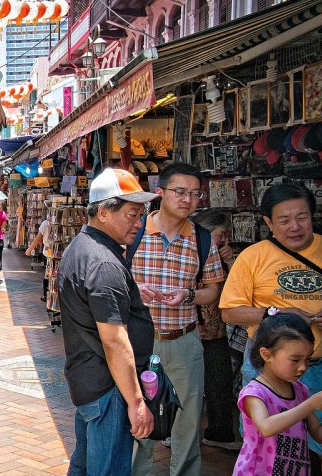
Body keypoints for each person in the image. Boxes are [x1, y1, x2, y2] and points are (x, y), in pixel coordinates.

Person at [58, 168, 157, 475]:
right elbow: (115, 340)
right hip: (108, 388)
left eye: (140, 215)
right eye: (131, 214)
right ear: (103, 212)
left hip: (91, 380)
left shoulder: (83, 247)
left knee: (86, 465)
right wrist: (136, 401)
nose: (138, 223)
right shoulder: (102, 262)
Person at [130, 163, 226, 476]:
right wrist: (134, 289)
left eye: (195, 194)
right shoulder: (135, 233)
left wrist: (187, 295)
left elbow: (213, 291)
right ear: (160, 193)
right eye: (180, 192)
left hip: (184, 341)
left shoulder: (202, 239)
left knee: (188, 420)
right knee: (139, 415)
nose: (187, 199)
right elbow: (110, 282)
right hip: (141, 341)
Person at [220, 182, 322, 472]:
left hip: (320, 365)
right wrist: (275, 312)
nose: (295, 226)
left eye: (301, 217)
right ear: (268, 222)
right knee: (269, 449)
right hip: (268, 370)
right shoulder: (252, 257)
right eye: (284, 220)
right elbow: (229, 312)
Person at [235, 313, 322, 475]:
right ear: (266, 354)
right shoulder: (254, 393)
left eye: (308, 359)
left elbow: (317, 432)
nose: (303, 367)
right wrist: (310, 404)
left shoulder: (300, 390)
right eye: (295, 360)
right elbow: (266, 427)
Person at [192, 210, 241, 451]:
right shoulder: (188, 252)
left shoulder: (222, 256)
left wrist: (230, 262)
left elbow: (240, 289)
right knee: (187, 385)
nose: (223, 240)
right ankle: (175, 432)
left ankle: (220, 433)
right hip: (188, 330)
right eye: (220, 234)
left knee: (219, 383)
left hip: (216, 331)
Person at [26, 213, 50, 302]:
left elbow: (38, 238)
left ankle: (46, 295)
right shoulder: (45, 223)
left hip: (47, 253)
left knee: (47, 274)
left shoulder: (45, 223)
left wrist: (29, 249)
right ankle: (47, 295)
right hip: (51, 253)